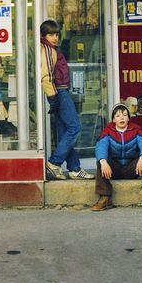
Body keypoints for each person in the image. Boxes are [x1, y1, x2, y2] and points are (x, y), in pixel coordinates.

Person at [40, 19, 94, 180]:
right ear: (43, 35)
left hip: (59, 92)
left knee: (65, 131)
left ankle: (74, 168)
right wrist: (53, 98)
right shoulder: (48, 51)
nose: (55, 37)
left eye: (56, 34)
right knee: (74, 127)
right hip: (59, 93)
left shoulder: (53, 49)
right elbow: (46, 76)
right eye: (50, 34)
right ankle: (54, 162)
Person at [91, 102, 142, 211]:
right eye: (118, 116)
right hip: (114, 170)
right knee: (101, 160)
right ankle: (105, 197)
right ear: (113, 120)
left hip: (132, 169)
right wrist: (103, 161)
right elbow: (101, 146)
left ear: (129, 118)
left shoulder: (135, 129)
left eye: (125, 115)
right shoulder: (108, 130)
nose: (122, 118)